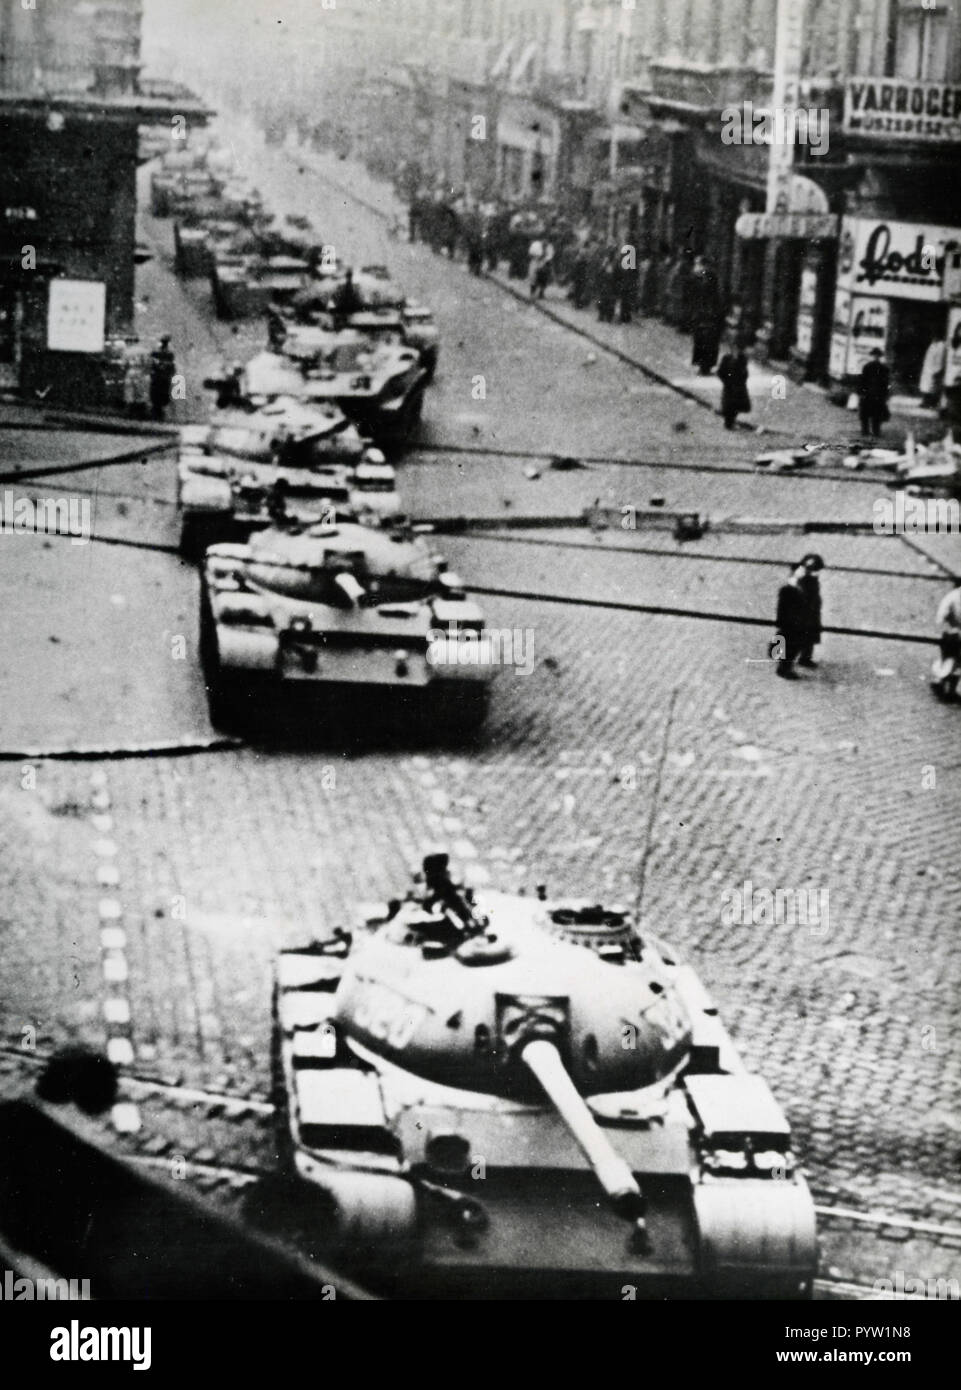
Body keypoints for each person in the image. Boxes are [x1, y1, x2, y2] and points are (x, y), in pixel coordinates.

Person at [774, 563, 809, 679]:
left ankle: (785, 667)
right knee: (790, 647)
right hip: (791, 624)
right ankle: (784, 669)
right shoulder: (788, 589)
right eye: (801, 571)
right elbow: (782, 608)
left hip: (798, 623)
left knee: (794, 646)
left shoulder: (801, 586)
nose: (804, 573)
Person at [796, 553, 825, 668]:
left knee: (809, 635)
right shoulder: (804, 580)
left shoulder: (809, 578)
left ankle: (805, 657)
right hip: (805, 612)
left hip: (811, 611)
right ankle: (799, 659)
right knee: (803, 635)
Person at [717, 341, 751, 429]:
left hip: (739, 386)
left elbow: (745, 372)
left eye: (739, 349)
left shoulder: (742, 358)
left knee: (736, 405)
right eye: (735, 349)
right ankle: (728, 423)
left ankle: (731, 422)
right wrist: (725, 381)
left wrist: (743, 379)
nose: (737, 351)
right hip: (730, 386)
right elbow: (720, 372)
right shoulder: (727, 358)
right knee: (729, 405)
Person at [858, 347, 890, 437]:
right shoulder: (882, 368)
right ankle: (872, 431)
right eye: (875, 355)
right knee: (874, 414)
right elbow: (886, 382)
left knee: (868, 414)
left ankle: (868, 431)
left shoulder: (868, 367)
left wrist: (861, 392)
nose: (876, 357)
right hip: (875, 394)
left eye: (876, 355)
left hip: (872, 394)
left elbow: (863, 381)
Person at [149, 335, 176, 421]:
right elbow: (172, 366)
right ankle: (158, 412)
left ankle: (156, 412)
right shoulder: (169, 353)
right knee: (161, 395)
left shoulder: (156, 352)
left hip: (158, 377)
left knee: (157, 395)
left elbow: (152, 364)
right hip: (164, 377)